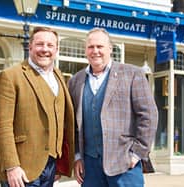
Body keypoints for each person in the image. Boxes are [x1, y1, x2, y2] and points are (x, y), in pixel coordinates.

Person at [68, 28, 158, 187]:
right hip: (90, 166)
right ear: (85, 50)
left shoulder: (132, 74)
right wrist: (77, 157)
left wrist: (137, 154)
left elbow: (148, 116)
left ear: (110, 49)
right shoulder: (76, 81)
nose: (95, 51)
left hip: (124, 164)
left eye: (100, 46)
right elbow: (73, 124)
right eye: (90, 47)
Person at [0, 27, 75, 187]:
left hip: (51, 165)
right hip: (21, 168)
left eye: (50, 45)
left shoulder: (59, 76)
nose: (45, 49)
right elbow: (2, 126)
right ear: (30, 47)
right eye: (40, 44)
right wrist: (12, 166)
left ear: (56, 49)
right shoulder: (10, 76)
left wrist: (59, 161)